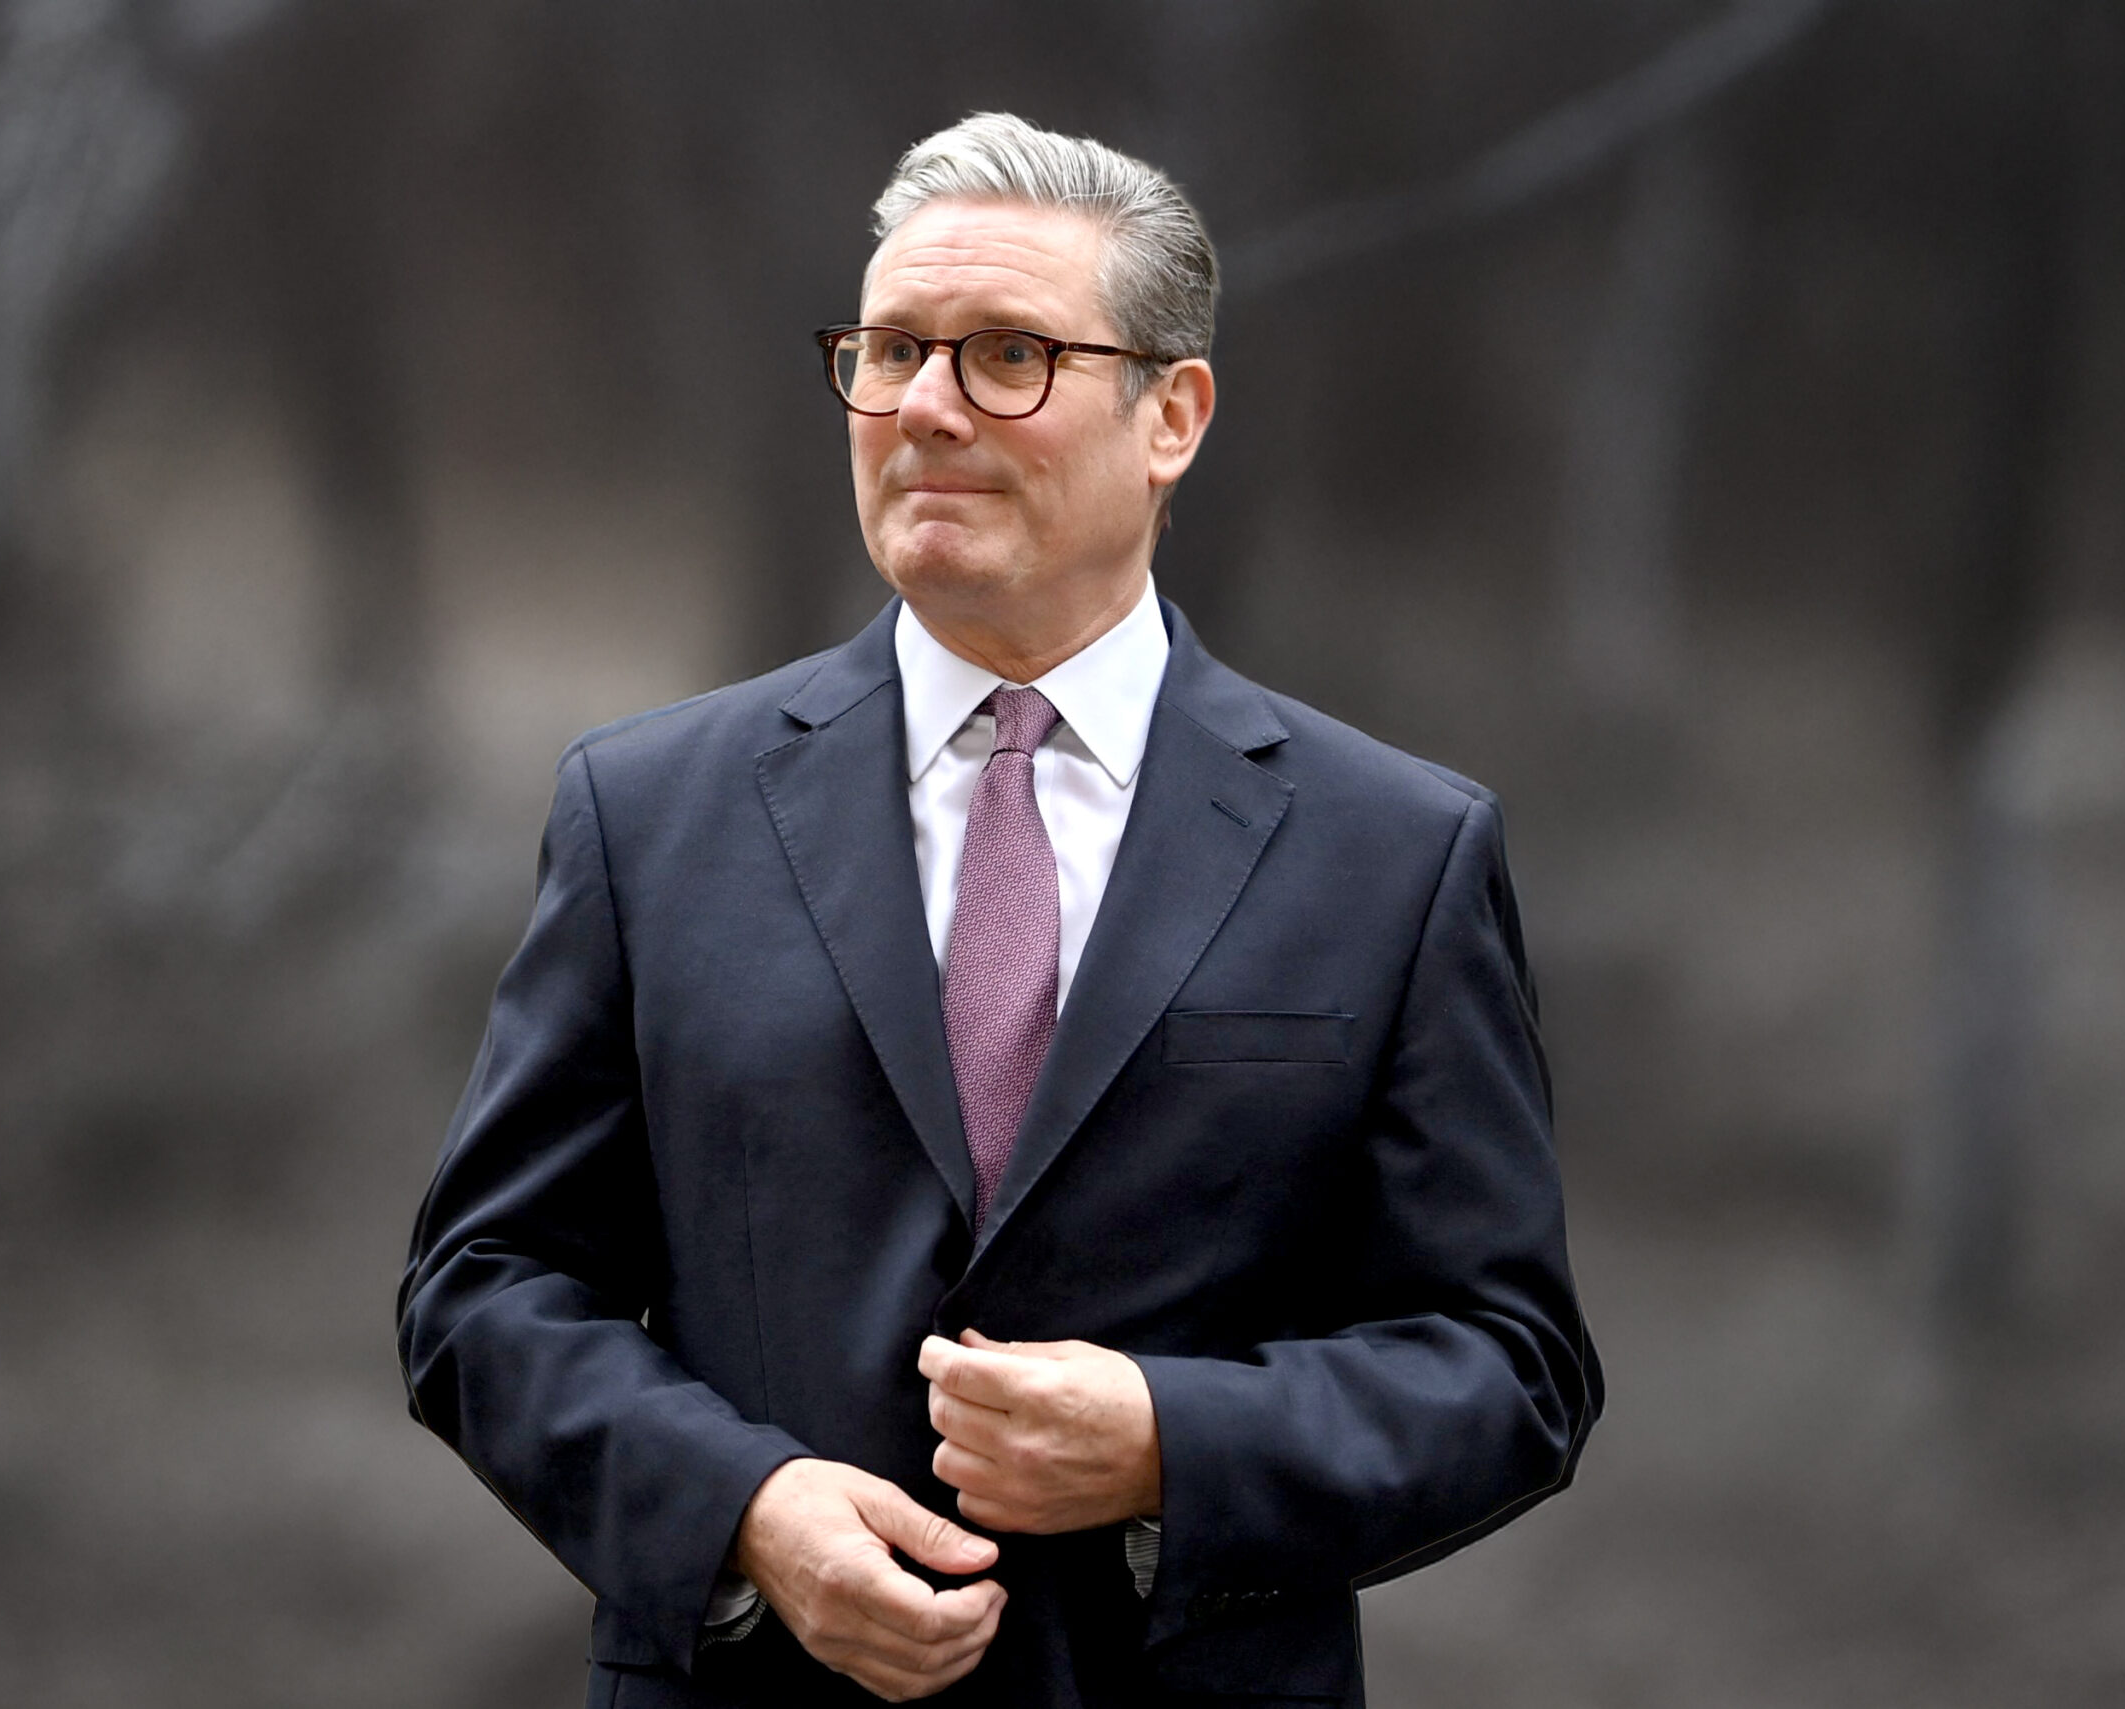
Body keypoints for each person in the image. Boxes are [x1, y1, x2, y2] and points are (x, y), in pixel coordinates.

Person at [398, 111, 1601, 1708]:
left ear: (1172, 415)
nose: (925, 406)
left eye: (1009, 356)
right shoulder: (646, 810)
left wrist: (1173, 1441)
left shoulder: (1394, 850)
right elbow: (483, 1286)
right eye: (893, 350)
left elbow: (1510, 1362)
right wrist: (745, 1512)